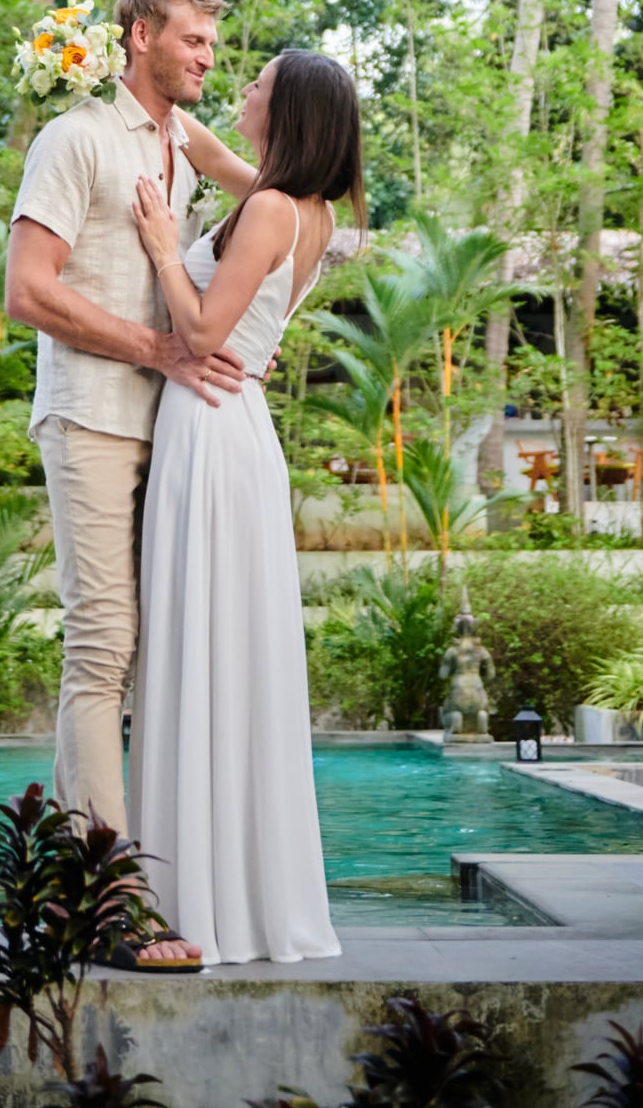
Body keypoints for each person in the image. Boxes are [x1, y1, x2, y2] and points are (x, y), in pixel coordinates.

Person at [4, 0, 241, 969]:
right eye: (189, 39)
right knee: (101, 651)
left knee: (150, 660)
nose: (204, 56)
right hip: (94, 419)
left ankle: (88, 883)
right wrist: (160, 350)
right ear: (136, 35)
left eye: (213, 46)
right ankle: (110, 905)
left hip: (170, 427)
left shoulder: (178, 145)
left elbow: (267, 181)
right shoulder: (76, 139)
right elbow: (26, 291)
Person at [128, 49, 365, 965]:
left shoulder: (269, 210)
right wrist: (95, 72)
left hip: (211, 423)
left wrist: (157, 244)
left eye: (259, 82)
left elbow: (200, 333)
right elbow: (185, 134)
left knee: (203, 645)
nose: (243, 89)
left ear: (289, 109)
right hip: (239, 427)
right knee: (223, 652)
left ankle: (198, 901)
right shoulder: (302, 208)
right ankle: (232, 897)